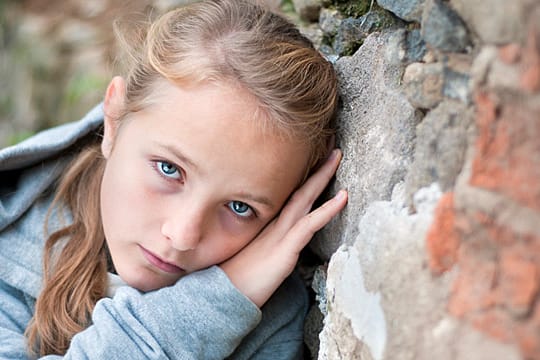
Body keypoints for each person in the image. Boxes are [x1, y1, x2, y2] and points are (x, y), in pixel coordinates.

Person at [0, 0, 347, 358]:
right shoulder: (7, 249)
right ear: (115, 120)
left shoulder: (273, 319)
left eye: (239, 207)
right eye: (169, 169)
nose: (182, 236)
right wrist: (212, 306)